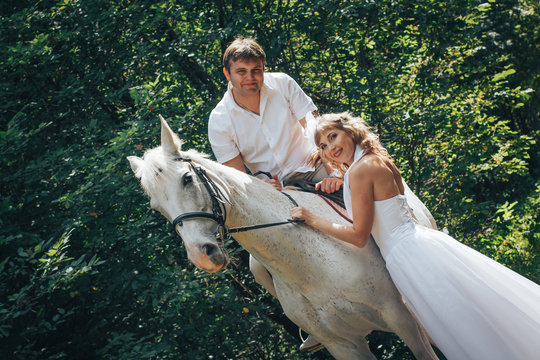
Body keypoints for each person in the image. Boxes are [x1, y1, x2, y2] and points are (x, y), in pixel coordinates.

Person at [291, 112, 540, 360]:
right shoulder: (375, 160)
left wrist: (312, 219)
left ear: (350, 132)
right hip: (422, 244)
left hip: (409, 257)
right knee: (478, 311)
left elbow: (359, 236)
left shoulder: (359, 171)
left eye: (333, 136)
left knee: (461, 324)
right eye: (322, 145)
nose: (330, 147)